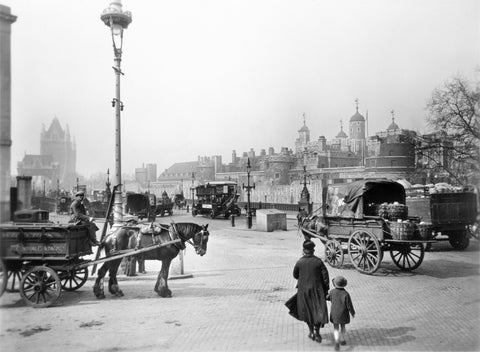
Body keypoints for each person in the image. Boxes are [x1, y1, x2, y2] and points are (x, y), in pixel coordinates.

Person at [287, 240, 330, 343]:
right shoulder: (318, 262)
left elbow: (295, 275)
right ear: (313, 250)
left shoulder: (300, 262)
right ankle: (317, 333)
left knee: (307, 312)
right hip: (318, 291)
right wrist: (326, 290)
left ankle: (311, 332)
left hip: (304, 292)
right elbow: (325, 277)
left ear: (303, 250)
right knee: (318, 311)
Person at [327, 275, 356, 351]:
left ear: (335, 284)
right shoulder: (346, 294)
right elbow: (349, 305)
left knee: (335, 328)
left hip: (334, 314)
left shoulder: (332, 292)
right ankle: (342, 340)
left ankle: (336, 341)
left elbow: (327, 298)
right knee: (343, 327)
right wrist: (352, 313)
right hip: (343, 314)